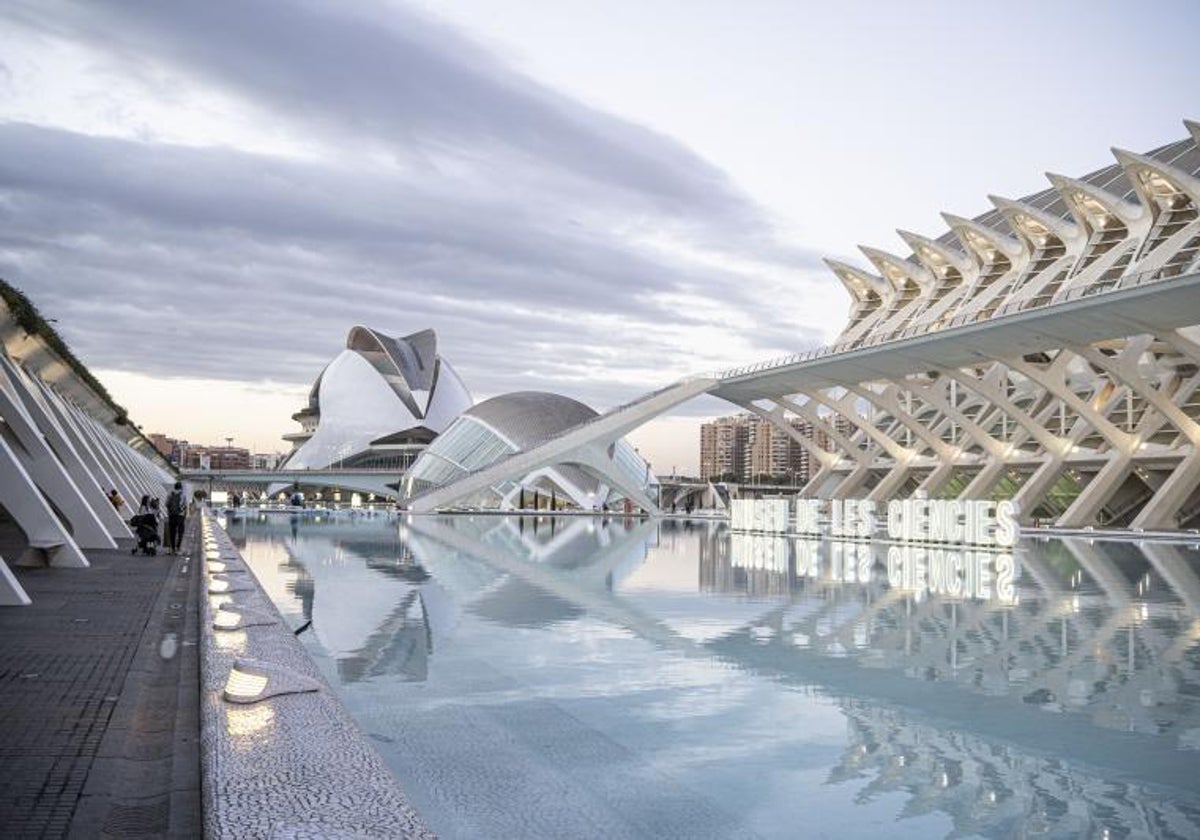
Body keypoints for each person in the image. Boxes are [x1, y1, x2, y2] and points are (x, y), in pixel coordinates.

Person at [165, 481, 187, 555]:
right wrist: (184, 515)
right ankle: (178, 548)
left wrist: (170, 511)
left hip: (172, 516)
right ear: (181, 487)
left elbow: (166, 504)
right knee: (180, 532)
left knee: (172, 532)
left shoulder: (170, 494)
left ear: (175, 487)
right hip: (180, 516)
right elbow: (185, 505)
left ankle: (172, 548)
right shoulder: (183, 494)